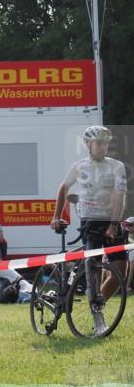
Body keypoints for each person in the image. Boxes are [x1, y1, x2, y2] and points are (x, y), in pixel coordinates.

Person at [51, 125, 128, 337]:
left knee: (121, 271)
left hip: (112, 219)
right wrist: (57, 216)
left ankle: (98, 301)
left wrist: (114, 223)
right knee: (92, 268)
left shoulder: (116, 166)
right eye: (98, 143)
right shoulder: (79, 167)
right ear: (88, 144)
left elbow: (119, 195)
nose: (102, 147)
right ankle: (98, 319)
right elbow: (64, 188)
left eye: (105, 143)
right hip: (90, 221)